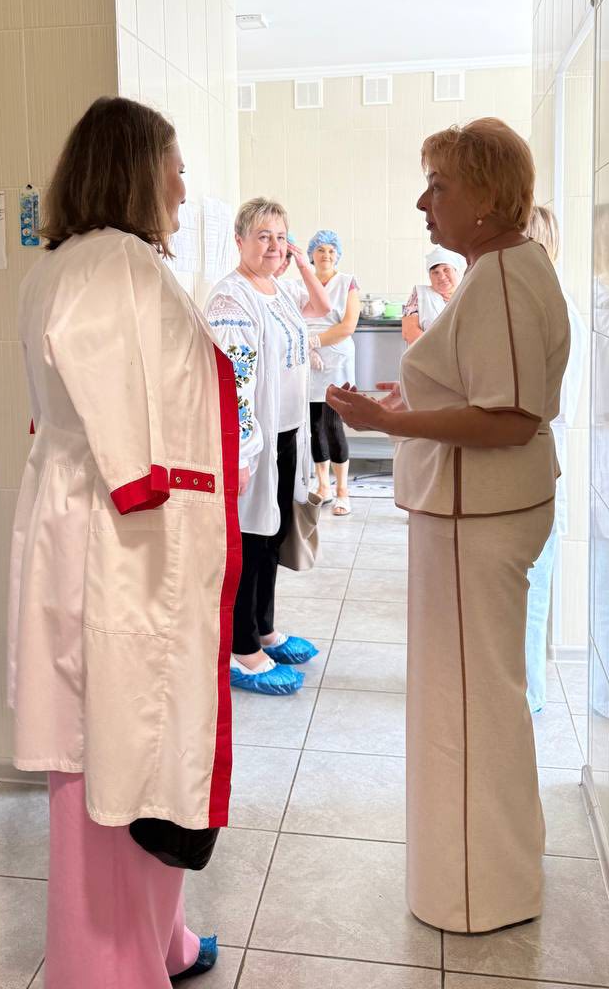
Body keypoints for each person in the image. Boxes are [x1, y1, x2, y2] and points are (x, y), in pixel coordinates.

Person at [6, 98, 235, 987]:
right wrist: (151, 495)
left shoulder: (70, 262)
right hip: (125, 546)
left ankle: (157, 941)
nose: (181, 186)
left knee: (133, 755)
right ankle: (107, 971)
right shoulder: (115, 265)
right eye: (172, 166)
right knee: (115, 754)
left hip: (102, 533)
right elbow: (128, 437)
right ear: (136, 170)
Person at [328, 118, 570, 935]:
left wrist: (391, 425)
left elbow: (508, 418)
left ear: (487, 198)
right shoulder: (501, 269)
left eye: (439, 186)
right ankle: (489, 876)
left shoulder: (500, 277)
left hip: (479, 519)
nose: (423, 202)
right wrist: (413, 401)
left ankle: (475, 894)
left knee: (469, 710)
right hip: (477, 513)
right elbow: (484, 390)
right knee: (478, 702)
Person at [205, 199, 331, 695]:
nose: (274, 246)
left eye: (280, 236)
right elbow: (234, 382)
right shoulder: (231, 299)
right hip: (252, 442)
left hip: (285, 434)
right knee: (249, 543)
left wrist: (298, 261)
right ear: (239, 241)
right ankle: (242, 650)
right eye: (263, 236)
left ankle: (264, 628)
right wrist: (242, 452)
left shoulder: (277, 290)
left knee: (272, 536)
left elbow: (320, 311)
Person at [522, 206, 588, 713]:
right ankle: (525, 694)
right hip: (537, 463)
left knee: (529, 593)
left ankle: (528, 697)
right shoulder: (546, 304)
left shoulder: (552, 310)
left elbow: (550, 403)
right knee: (526, 591)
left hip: (537, 465)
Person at [299, 229, 360, 515]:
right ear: (311, 254)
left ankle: (342, 491)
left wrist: (316, 342)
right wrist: (306, 347)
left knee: (332, 424)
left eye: (331, 251)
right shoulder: (301, 283)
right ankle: (323, 486)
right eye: (321, 249)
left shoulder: (347, 282)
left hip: (336, 358)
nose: (326, 255)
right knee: (313, 426)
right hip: (307, 360)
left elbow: (348, 325)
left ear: (338, 255)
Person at [401, 245, 464, 344]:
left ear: (456, 271)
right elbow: (409, 332)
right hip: (426, 352)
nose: (442, 277)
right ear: (430, 276)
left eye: (446, 269)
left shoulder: (467, 294)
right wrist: (439, 349)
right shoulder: (420, 294)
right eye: (435, 272)